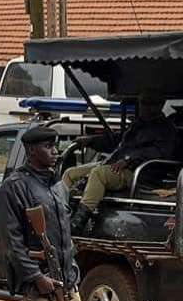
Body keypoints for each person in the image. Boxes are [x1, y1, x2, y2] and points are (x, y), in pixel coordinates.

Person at [64, 93, 176, 233]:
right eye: (143, 103)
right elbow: (117, 141)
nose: (146, 107)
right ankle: (60, 212)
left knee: (99, 173)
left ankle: (78, 222)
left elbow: (159, 152)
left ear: (161, 105)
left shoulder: (166, 129)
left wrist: (129, 159)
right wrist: (91, 140)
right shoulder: (138, 124)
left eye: (151, 103)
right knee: (71, 173)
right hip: (117, 164)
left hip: (141, 173)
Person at [0, 127, 80, 301]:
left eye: (55, 146)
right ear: (31, 150)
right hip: (41, 286)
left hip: (68, 281)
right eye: (48, 146)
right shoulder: (14, 186)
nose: (55, 151)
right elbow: (12, 242)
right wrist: (36, 277)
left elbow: (66, 233)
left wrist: (72, 268)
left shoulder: (57, 185)